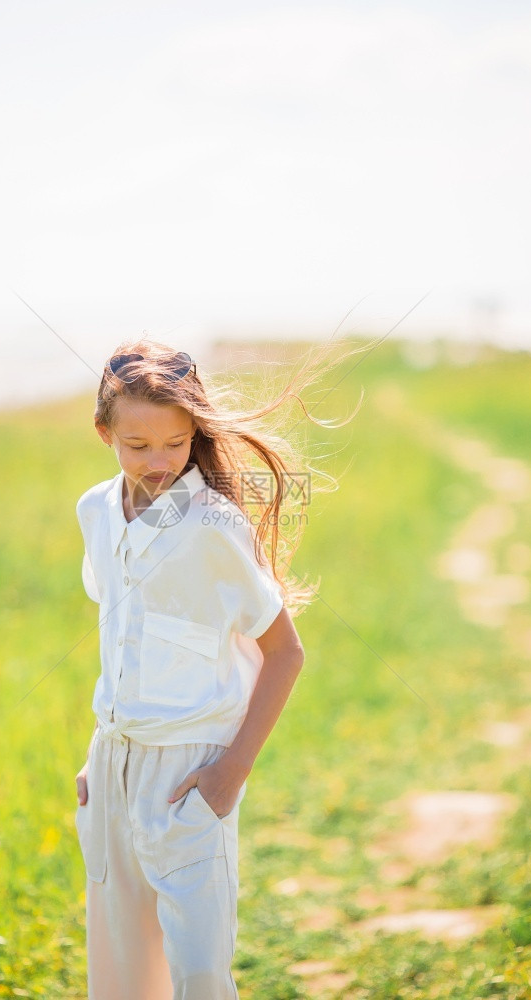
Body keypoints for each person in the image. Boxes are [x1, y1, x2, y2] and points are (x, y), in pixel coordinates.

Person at [73, 338, 359, 1000]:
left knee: (199, 973)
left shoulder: (211, 525)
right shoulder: (94, 511)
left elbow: (285, 652)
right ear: (104, 432)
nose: (159, 462)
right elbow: (122, 634)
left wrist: (231, 770)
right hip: (112, 767)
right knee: (120, 974)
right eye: (137, 444)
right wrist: (100, 756)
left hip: (190, 773)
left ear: (195, 432)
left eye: (175, 443)